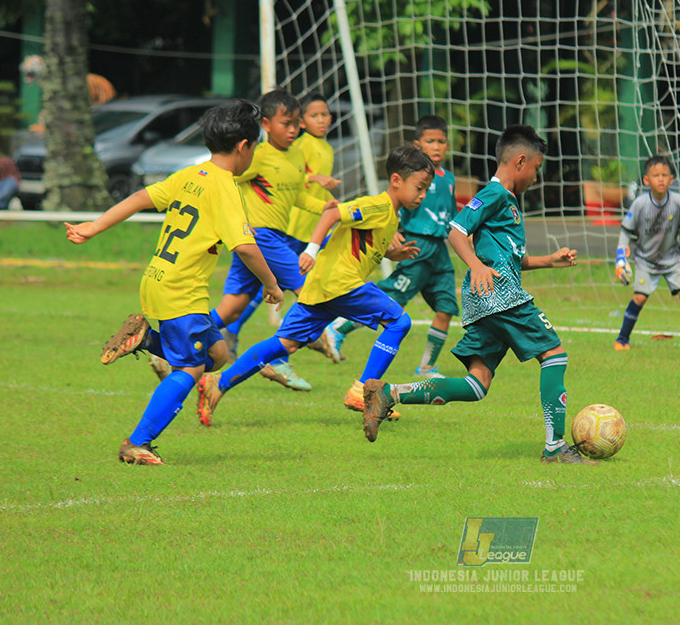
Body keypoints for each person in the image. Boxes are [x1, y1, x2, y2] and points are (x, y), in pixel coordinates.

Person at [359, 125, 597, 466]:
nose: (536, 176)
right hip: (500, 296)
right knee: (554, 355)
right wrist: (476, 265)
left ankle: (388, 393)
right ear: (520, 161)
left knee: (477, 385)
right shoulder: (495, 194)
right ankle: (555, 447)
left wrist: (549, 260)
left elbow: (510, 259)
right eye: (536, 167)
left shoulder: (507, 202)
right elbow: (457, 230)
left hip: (485, 299)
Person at [64, 99, 284, 465]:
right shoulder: (226, 188)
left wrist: (94, 227)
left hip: (159, 279)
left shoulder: (190, 175)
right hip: (181, 291)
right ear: (244, 146)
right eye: (255, 147)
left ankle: (146, 339)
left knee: (218, 355)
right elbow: (245, 247)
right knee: (190, 369)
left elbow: (140, 197)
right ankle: (137, 443)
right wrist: (273, 284)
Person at [196, 145, 435, 426]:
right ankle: (364, 392)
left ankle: (219, 382)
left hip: (323, 287)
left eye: (425, 189)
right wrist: (310, 250)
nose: (422, 195)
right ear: (396, 180)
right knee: (399, 322)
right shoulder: (377, 205)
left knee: (284, 344)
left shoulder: (391, 215)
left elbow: (360, 245)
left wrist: (392, 254)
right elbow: (332, 215)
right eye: (419, 187)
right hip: (341, 283)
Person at [207, 89, 336, 392]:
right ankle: (278, 358)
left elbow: (296, 195)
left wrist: (325, 208)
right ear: (265, 124)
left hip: (265, 238)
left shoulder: (297, 155)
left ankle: (170, 342)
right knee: (311, 290)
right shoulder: (258, 156)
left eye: (295, 123)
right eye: (285, 123)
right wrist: (226, 220)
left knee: (232, 309)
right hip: (261, 236)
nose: (292, 130)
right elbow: (223, 178)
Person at [328, 114, 459, 378]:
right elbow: (396, 206)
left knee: (446, 308)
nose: (436, 147)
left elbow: (451, 215)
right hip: (416, 246)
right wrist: (396, 231)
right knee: (392, 299)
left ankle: (426, 366)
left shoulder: (449, 179)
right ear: (417, 145)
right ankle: (337, 328)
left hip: (440, 252)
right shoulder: (414, 179)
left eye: (441, 141)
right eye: (430, 141)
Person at [613, 155, 680, 352]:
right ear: (646, 180)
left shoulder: (678, 202)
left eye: (664, 175)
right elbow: (625, 232)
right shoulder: (639, 204)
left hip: (672, 258)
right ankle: (622, 339)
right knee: (639, 298)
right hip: (646, 260)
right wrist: (621, 260)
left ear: (671, 179)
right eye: (656, 175)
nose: (660, 179)